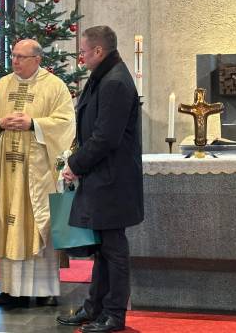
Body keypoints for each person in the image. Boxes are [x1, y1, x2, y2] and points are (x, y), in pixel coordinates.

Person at [57, 26, 144, 333]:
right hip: (103, 177)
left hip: (112, 179)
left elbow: (106, 137)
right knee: (103, 248)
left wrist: (75, 164)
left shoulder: (115, 81)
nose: (80, 57)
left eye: (83, 51)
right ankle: (95, 307)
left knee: (114, 249)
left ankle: (114, 313)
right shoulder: (104, 76)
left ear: (98, 51)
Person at [0, 38, 76, 308]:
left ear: (37, 59)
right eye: (13, 55)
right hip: (8, 174)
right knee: (10, 224)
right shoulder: (2, 85)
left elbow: (66, 122)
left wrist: (33, 123)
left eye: (21, 57)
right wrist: (0, 122)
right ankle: (11, 291)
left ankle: (45, 290)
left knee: (39, 223)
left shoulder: (54, 86)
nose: (15, 61)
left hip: (38, 172)